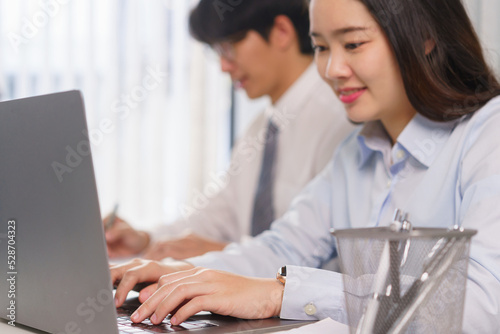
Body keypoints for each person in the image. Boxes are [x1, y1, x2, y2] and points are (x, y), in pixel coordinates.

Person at [110, 0, 500, 332]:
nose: (331, 69)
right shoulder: (357, 151)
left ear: (424, 36)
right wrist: (181, 272)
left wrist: (281, 294)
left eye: (353, 43)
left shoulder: (487, 135)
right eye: (321, 47)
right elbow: (284, 246)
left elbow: (482, 306)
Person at [105, 0, 354, 260]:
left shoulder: (341, 120)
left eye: (229, 46)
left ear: (281, 32)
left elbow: (340, 262)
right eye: (217, 52)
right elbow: (217, 216)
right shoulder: (259, 130)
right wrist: (146, 240)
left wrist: (226, 253)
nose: (224, 66)